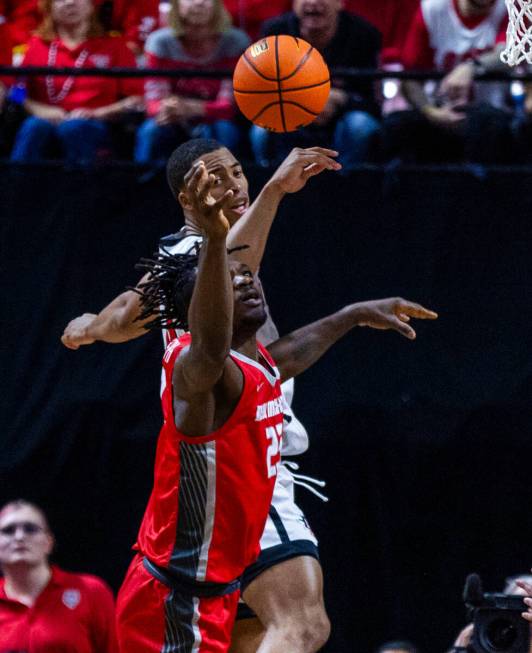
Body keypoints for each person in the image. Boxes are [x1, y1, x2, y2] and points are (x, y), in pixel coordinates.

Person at [62, 138, 438, 653]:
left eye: (237, 171)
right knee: (303, 625)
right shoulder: (195, 259)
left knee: (251, 632)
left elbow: (267, 356)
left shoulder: (222, 286)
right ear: (187, 197)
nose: (232, 184)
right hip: (230, 460)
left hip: (237, 456)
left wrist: (349, 315)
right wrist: (276, 191)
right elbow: (208, 268)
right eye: (213, 177)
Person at [250, 0, 382, 171]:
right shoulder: (274, 32)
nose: (313, 2)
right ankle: (270, 185)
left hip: (344, 113)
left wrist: (342, 98)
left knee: (361, 126)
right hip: (287, 109)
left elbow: (373, 101)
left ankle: (347, 186)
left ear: (340, 3)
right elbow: (259, 92)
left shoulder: (365, 34)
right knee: (260, 130)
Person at [11, 0, 143, 165]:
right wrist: (39, 110)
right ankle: (17, 186)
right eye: (60, 0)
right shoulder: (35, 46)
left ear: (92, 6)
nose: (70, 3)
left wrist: (97, 113)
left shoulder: (116, 47)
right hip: (46, 119)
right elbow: (17, 93)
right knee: (34, 127)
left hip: (96, 123)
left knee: (73, 128)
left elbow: (138, 99)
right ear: (48, 7)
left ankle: (89, 188)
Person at [383, 0, 513, 165]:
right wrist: (431, 112)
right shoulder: (433, 8)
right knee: (396, 125)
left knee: (493, 124)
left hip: (485, 113)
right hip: (437, 108)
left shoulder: (508, 8)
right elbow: (410, 78)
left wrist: (470, 67)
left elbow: (509, 55)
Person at [133, 0, 249, 165]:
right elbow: (153, 102)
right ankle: (142, 186)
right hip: (174, 115)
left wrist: (191, 108)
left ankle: (228, 187)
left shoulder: (236, 42)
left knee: (224, 129)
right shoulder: (159, 42)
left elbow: (230, 106)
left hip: (216, 118)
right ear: (176, 6)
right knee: (151, 130)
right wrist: (168, 107)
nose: (199, 2)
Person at [0, 499, 118, 653]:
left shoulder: (91, 591)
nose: (19, 537)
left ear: (48, 542)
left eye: (30, 529)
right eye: (8, 530)